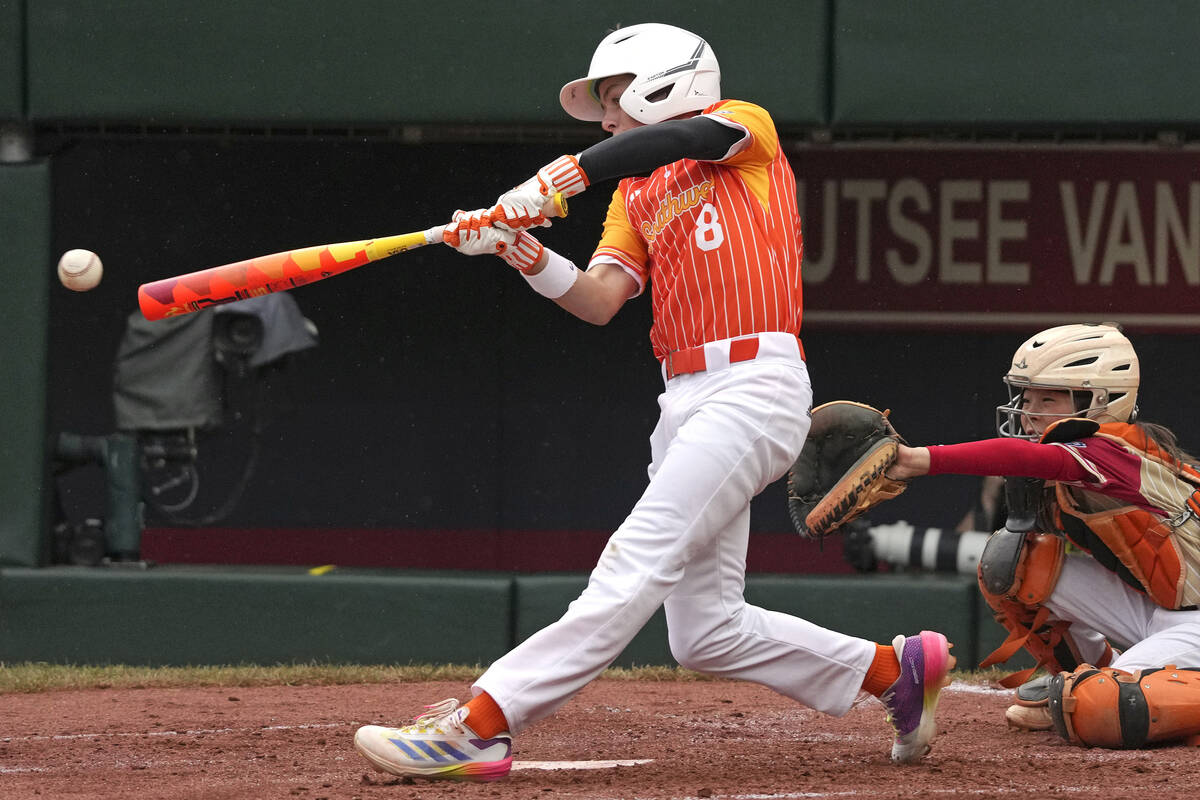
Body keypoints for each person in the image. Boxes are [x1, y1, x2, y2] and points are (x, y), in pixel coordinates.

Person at [352, 23, 954, 781]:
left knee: (633, 563)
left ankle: (480, 723)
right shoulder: (635, 196)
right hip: (685, 398)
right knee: (705, 633)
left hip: (754, 386)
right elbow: (600, 299)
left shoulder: (745, 127)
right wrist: (518, 249)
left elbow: (663, 143)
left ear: (663, 83)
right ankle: (889, 674)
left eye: (612, 98)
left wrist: (557, 179)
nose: (605, 119)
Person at [884, 322, 1200, 747]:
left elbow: (1025, 457)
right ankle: (1085, 675)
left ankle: (1100, 687)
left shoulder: (1114, 450)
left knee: (1102, 708)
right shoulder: (1083, 452)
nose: (1029, 410)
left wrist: (916, 460)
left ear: (1099, 400)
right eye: (1027, 396)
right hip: (1160, 607)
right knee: (1015, 564)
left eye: (1048, 397)